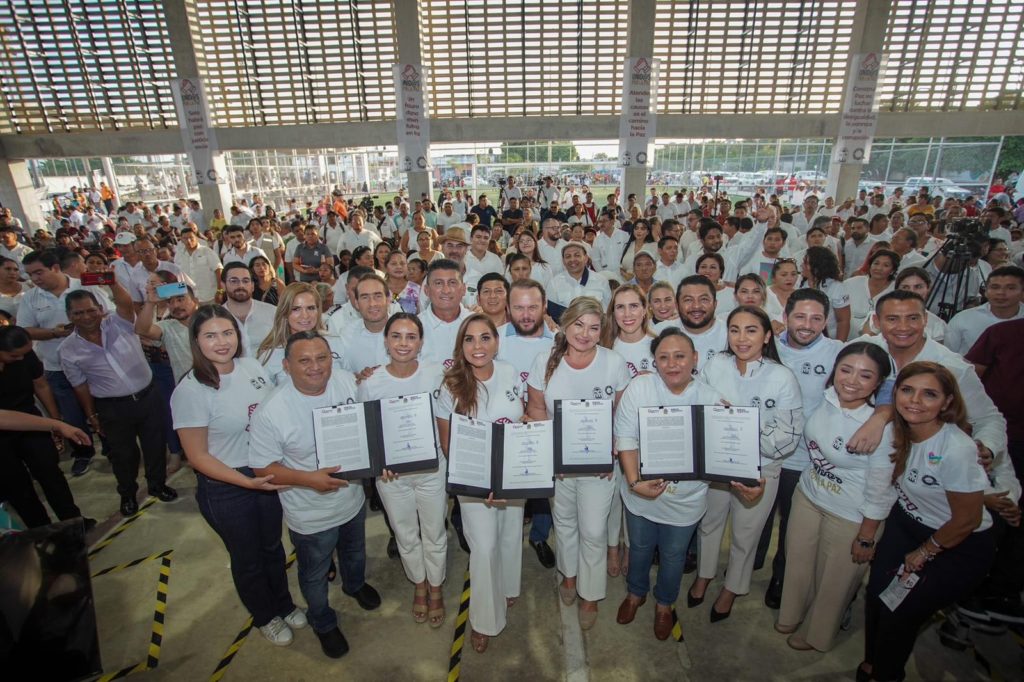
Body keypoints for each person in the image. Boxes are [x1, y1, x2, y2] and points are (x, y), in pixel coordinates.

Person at [613, 328, 763, 639]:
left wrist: (750, 479)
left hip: (686, 500)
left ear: (695, 358)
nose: (672, 364)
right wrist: (634, 482)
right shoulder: (640, 388)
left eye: (680, 356)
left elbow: (731, 450)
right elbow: (625, 436)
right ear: (654, 362)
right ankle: (635, 592)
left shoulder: (711, 400)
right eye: (663, 357)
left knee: (673, 555)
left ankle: (664, 603)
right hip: (640, 493)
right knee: (639, 547)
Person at [170, 305, 304, 646]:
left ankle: (284, 604)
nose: (221, 342)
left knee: (273, 547)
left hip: (263, 474)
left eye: (227, 333)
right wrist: (246, 482)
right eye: (210, 336)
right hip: (226, 487)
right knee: (248, 559)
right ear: (196, 341)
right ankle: (264, 616)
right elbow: (197, 456)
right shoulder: (191, 390)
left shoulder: (249, 367)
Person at [250, 331, 381, 659]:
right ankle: (322, 620)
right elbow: (262, 467)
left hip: (351, 498)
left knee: (355, 551)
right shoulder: (272, 410)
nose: (315, 367)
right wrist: (308, 479)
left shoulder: (345, 382)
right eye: (304, 360)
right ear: (286, 366)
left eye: (322, 358)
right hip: (309, 512)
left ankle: (354, 585)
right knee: (314, 573)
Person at [861, 362, 995, 682]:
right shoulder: (900, 430)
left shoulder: (956, 448)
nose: (915, 401)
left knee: (902, 610)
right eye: (907, 390)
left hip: (956, 542)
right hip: (906, 521)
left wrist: (925, 551)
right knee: (877, 595)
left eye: (929, 394)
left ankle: (887, 674)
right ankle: (872, 662)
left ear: (947, 402)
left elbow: (967, 519)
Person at [776, 342, 894, 652]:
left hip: (850, 514)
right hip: (809, 496)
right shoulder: (827, 399)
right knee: (798, 563)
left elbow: (882, 487)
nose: (852, 381)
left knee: (834, 581)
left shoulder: (880, 427)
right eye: (846, 370)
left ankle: (817, 634)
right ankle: (792, 613)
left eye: (865, 375)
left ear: (879, 384)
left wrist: (867, 535)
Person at [689, 306, 803, 621]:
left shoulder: (782, 377)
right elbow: (698, 406)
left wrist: (741, 426)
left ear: (766, 336)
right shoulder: (716, 364)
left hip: (761, 469)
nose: (741, 338)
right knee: (709, 523)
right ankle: (704, 574)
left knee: (746, 533)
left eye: (751, 330)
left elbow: (788, 439)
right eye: (734, 329)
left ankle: (732, 588)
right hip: (716, 463)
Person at [526, 297, 631, 629]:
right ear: (565, 325)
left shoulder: (614, 363)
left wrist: (611, 448)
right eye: (578, 325)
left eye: (594, 328)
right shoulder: (545, 360)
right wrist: (549, 452)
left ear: (603, 331)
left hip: (599, 467)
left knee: (594, 530)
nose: (585, 334)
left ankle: (590, 594)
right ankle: (569, 577)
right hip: (558, 465)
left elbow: (623, 415)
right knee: (565, 523)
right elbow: (536, 409)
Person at [435, 314, 528, 652]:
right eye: (470, 339)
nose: (478, 346)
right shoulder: (450, 386)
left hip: (512, 477)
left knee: (510, 533)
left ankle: (507, 587)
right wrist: (485, 484)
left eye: (485, 337)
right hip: (474, 483)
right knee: (484, 546)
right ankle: (485, 620)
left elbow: (521, 416)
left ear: (496, 342)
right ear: (460, 345)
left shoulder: (510, 372)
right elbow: (449, 445)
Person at [357, 312, 447, 628]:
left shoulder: (437, 374)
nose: (403, 343)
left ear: (421, 342)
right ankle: (419, 583)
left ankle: (436, 586)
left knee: (434, 532)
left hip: (432, 469)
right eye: (396, 336)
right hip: (391, 476)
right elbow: (367, 431)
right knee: (405, 533)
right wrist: (379, 463)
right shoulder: (370, 382)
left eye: (411, 337)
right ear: (386, 341)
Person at [59, 283, 177, 517]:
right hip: (112, 408)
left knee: (155, 446)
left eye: (91, 310)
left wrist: (112, 282)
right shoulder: (68, 349)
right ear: (69, 316)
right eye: (78, 313)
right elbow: (80, 386)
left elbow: (125, 303)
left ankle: (157, 485)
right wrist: (91, 415)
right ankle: (128, 494)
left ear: (100, 309)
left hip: (148, 397)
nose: (86, 317)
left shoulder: (119, 322)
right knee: (123, 455)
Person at [19, 249, 106, 476]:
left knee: (103, 408)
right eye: (30, 274)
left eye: (39, 272)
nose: (35, 278)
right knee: (72, 414)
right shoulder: (30, 298)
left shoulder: (85, 286)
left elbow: (109, 313)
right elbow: (25, 331)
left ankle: (110, 446)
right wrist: (53, 333)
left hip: (94, 363)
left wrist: (86, 323)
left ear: (55, 268)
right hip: (56, 367)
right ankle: (83, 452)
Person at [0, 325, 93, 529]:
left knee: (50, 473)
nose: (21, 359)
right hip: (4, 435)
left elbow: (41, 385)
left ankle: (73, 523)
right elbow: (3, 418)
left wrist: (56, 420)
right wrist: (54, 424)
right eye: (14, 356)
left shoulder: (25, 354)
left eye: (25, 353)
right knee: (16, 484)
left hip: (31, 421)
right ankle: (42, 531)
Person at [496, 279, 557, 568]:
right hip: (504, 430)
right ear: (508, 309)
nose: (526, 314)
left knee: (545, 490)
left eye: (533, 307)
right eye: (519, 308)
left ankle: (539, 536)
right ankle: (504, 544)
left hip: (544, 426)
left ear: (545, 307)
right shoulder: (494, 339)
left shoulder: (560, 342)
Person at [600, 284, 655, 578]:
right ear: (613, 313)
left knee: (635, 495)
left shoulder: (658, 345)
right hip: (610, 434)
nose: (627, 313)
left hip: (645, 438)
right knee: (611, 496)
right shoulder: (605, 346)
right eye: (620, 307)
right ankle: (612, 546)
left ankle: (632, 547)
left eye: (634, 305)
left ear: (645, 309)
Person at [256, 283, 346, 385]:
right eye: (296, 309)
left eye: (310, 308)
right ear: (284, 312)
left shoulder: (336, 342)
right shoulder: (271, 354)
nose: (305, 315)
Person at [944, 265, 1024, 355]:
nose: (1001, 292)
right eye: (995, 287)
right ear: (985, 291)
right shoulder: (963, 318)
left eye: (1010, 288)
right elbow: (946, 355)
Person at [654, 275, 728, 371]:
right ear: (677, 305)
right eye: (688, 300)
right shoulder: (658, 332)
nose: (696, 306)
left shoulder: (729, 334)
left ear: (715, 304)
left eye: (704, 299)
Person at [134, 279, 199, 383]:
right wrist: (150, 302)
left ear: (195, 301)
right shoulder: (167, 327)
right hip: (186, 386)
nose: (175, 305)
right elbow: (142, 330)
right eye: (170, 302)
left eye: (180, 299)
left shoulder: (209, 321)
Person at [419, 259, 473, 365]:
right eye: (438, 283)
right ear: (426, 290)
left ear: (463, 289)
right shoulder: (415, 327)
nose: (446, 290)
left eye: (452, 283)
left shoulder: (476, 323)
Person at [220, 262, 277, 357]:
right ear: (223, 285)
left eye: (245, 281)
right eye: (234, 281)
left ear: (252, 286)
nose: (240, 285)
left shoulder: (272, 313)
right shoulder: (216, 318)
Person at [801, 246, 851, 340]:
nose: (802, 265)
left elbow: (843, 321)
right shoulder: (799, 284)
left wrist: (839, 345)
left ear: (817, 267)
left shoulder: (836, 287)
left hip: (830, 339)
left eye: (806, 263)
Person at [847, 250, 899, 335]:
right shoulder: (851, 283)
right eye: (876, 263)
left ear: (892, 271)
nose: (879, 268)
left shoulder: (896, 290)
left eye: (886, 265)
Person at [175, 226, 222, 303]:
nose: (188, 241)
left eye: (191, 237)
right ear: (181, 240)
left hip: (209, 296)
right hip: (189, 299)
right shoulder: (178, 255)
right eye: (185, 238)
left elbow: (218, 270)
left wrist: (220, 291)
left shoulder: (207, 251)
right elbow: (178, 275)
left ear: (196, 238)